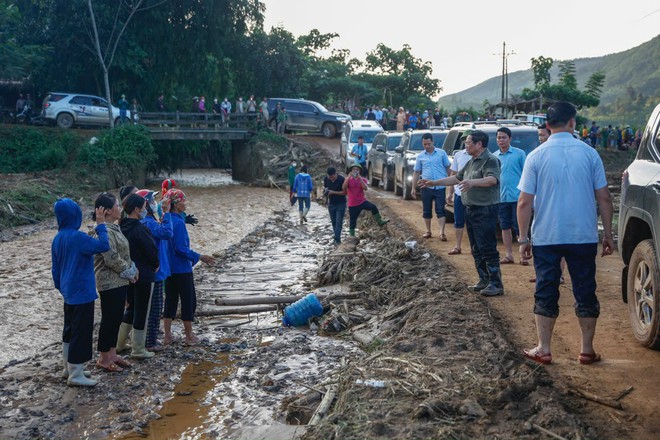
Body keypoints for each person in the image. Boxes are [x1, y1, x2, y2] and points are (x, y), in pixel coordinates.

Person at [517, 101, 614, 365]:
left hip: (547, 236)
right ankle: (586, 350)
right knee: (585, 289)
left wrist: (523, 238)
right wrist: (607, 234)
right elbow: (604, 198)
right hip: (582, 235)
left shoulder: (535, 156)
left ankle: (544, 348)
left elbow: (524, 202)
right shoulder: (589, 154)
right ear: (573, 122)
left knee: (546, 289)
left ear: (547, 125)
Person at [419, 130, 504, 297]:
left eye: (469, 142)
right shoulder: (471, 160)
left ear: (479, 144)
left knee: (487, 246)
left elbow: (492, 180)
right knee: (475, 247)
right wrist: (434, 183)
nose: (466, 145)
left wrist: (472, 182)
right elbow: (457, 178)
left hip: (485, 209)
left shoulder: (490, 160)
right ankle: (484, 279)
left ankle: (496, 283)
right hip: (471, 208)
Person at [52, 198, 110, 386]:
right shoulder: (78, 237)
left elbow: (55, 269)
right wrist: (101, 225)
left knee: (69, 329)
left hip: (68, 291)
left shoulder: (58, 237)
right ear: (75, 216)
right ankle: (76, 374)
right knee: (81, 331)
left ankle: (68, 367)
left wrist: (61, 287)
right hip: (82, 291)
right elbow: (103, 246)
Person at [163, 189, 216, 345]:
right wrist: (200, 256)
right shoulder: (178, 223)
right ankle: (189, 335)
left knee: (170, 300)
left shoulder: (166, 220)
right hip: (181, 269)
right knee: (188, 301)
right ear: (176, 204)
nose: (185, 203)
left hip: (169, 269)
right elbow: (181, 248)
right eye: (183, 200)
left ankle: (167, 335)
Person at [92, 192, 136, 372]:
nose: (120, 209)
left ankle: (112, 354)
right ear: (107, 211)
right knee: (109, 319)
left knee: (116, 317)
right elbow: (110, 256)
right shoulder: (103, 231)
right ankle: (103, 358)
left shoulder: (113, 228)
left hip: (120, 280)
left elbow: (124, 252)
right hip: (109, 282)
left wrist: (132, 267)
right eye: (117, 206)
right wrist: (128, 270)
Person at [120, 194, 160, 359]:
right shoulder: (140, 228)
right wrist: (156, 264)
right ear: (136, 209)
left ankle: (119, 343)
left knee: (130, 308)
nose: (145, 209)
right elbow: (151, 251)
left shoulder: (121, 227)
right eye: (144, 206)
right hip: (144, 274)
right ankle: (138, 348)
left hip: (128, 274)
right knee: (142, 310)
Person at [138, 189, 173, 352]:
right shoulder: (148, 222)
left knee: (152, 306)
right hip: (155, 271)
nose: (154, 202)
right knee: (155, 307)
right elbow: (167, 233)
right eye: (152, 200)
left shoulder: (148, 221)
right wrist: (166, 213)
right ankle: (150, 341)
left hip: (155, 269)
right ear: (145, 203)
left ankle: (149, 339)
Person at [493, 127, 526, 265]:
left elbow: (526, 174)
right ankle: (509, 255)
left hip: (518, 197)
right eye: (499, 138)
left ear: (510, 138)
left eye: (504, 137)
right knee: (504, 227)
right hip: (501, 198)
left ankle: (522, 256)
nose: (501, 140)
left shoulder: (519, 154)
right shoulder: (494, 156)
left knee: (520, 228)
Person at [411, 132, 451, 241]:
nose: (427, 146)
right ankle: (428, 231)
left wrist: (451, 184)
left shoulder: (441, 153)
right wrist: (413, 187)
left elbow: (448, 169)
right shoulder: (420, 156)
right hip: (426, 187)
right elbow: (416, 172)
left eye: (428, 144)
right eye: (424, 144)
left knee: (440, 210)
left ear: (432, 142)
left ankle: (442, 232)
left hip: (440, 187)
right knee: (426, 210)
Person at [342, 163, 389, 236]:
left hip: (362, 201)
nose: (355, 171)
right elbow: (343, 187)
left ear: (360, 171)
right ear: (351, 171)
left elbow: (365, 188)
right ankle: (352, 235)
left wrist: (360, 178)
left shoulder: (362, 179)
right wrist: (348, 177)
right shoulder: (348, 179)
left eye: (357, 169)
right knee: (352, 221)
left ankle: (380, 221)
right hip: (352, 204)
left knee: (373, 207)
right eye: (353, 169)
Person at [446, 135, 472, 255]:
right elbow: (454, 175)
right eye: (465, 142)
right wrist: (450, 192)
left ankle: (474, 247)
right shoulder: (459, 155)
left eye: (469, 142)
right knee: (458, 221)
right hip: (459, 193)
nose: (467, 144)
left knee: (474, 221)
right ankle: (457, 246)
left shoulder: (481, 156)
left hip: (474, 195)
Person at [323, 167, 347, 244]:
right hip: (331, 203)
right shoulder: (326, 179)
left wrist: (333, 192)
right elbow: (326, 188)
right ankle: (337, 238)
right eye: (329, 177)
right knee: (333, 222)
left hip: (341, 203)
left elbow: (345, 193)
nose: (331, 179)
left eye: (332, 177)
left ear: (335, 174)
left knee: (339, 222)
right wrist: (325, 193)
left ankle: (337, 239)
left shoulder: (342, 179)